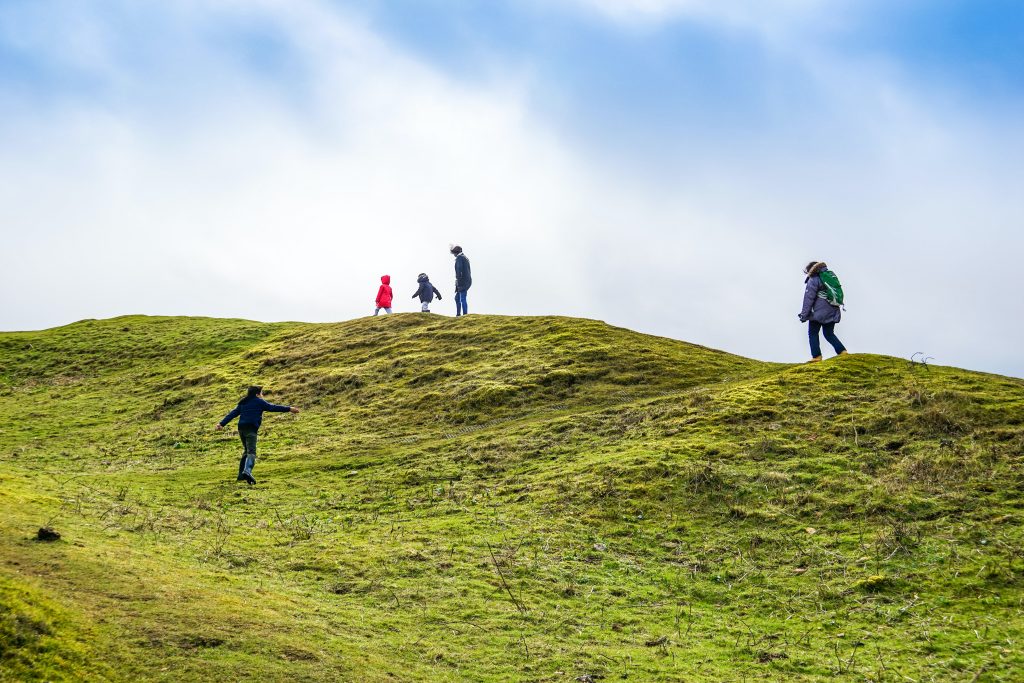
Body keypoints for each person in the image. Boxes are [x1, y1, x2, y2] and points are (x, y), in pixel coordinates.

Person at [216, 386, 299, 485]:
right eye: (261, 393)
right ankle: (247, 471)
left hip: (241, 429)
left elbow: (233, 413)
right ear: (257, 394)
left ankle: (241, 475)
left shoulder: (243, 402)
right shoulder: (259, 401)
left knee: (246, 451)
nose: (262, 395)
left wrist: (221, 424)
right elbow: (272, 407)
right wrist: (289, 408)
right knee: (251, 451)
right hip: (251, 429)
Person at [799, 261, 848, 362]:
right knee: (829, 333)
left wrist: (804, 315)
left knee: (812, 333)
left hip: (818, 313)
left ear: (810, 270)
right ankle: (842, 352)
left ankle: (817, 356)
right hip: (833, 310)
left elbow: (809, 298)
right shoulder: (829, 277)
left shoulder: (813, 279)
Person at [451, 245, 472, 316]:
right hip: (466, 281)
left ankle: (464, 314)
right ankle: (459, 314)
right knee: (457, 298)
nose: (454, 254)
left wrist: (458, 280)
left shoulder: (460, 258)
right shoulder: (465, 257)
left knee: (462, 298)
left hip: (462, 281)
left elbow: (459, 269)